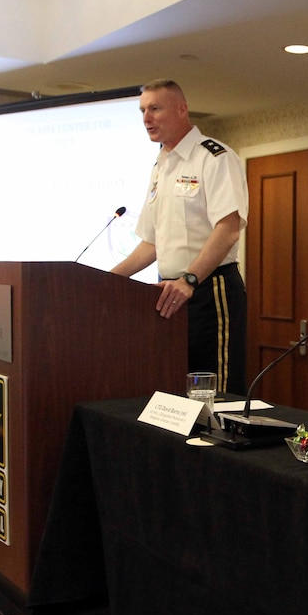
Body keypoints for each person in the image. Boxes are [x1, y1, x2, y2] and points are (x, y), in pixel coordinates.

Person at [111, 79, 249, 395]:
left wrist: (188, 280)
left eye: (155, 109)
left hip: (208, 290)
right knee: (177, 392)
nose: (146, 118)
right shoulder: (161, 166)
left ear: (181, 109)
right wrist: (105, 281)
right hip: (168, 293)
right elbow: (151, 244)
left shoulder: (214, 157)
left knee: (217, 394)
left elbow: (227, 229)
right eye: (143, 110)